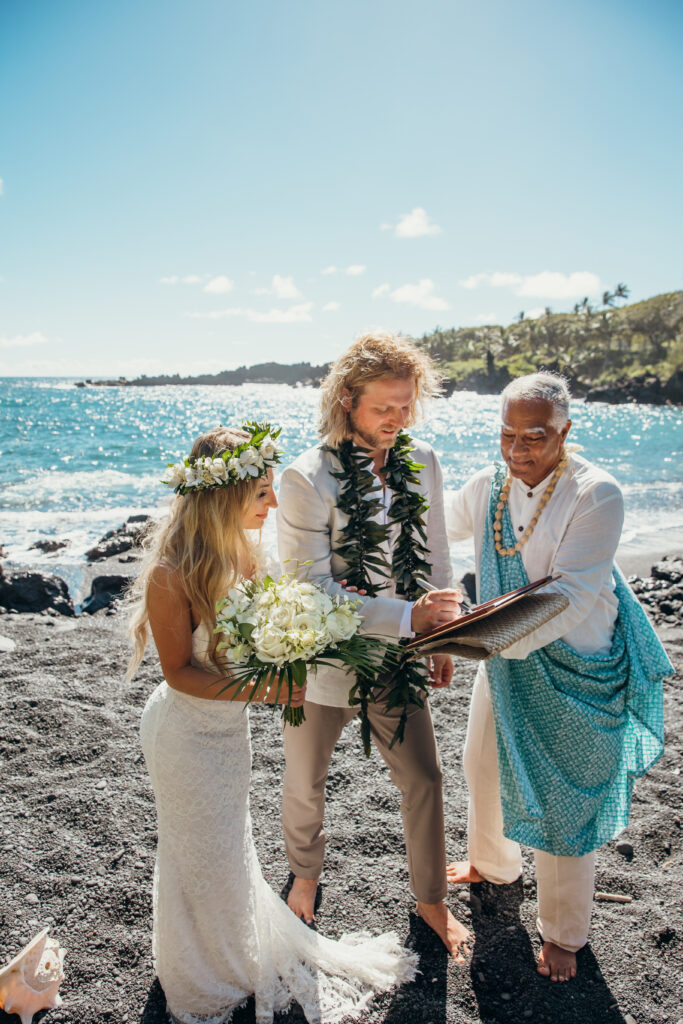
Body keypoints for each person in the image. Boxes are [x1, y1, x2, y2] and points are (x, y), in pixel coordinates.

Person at [127, 424, 418, 1024]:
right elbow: (179, 672)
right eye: (262, 492)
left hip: (229, 734)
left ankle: (227, 954)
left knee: (227, 850)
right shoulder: (171, 572)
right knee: (196, 855)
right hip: (184, 734)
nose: (275, 504)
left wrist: (314, 626)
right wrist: (266, 689)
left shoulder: (243, 552)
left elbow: (275, 625)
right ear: (223, 494)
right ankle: (199, 973)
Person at [444, 372, 672, 982]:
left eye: (535, 437)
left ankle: (566, 934)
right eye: (508, 435)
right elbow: (435, 530)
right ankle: (493, 865)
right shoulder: (488, 486)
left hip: (576, 663)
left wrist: (476, 639)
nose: (519, 450)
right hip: (502, 654)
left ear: (566, 431)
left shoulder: (597, 492)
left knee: (563, 801)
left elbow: (571, 595)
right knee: (482, 762)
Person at [277, 331, 471, 960]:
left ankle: (430, 898)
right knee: (307, 777)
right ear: (347, 402)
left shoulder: (426, 462)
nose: (397, 419)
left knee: (424, 777)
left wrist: (441, 633)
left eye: (406, 404)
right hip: (323, 655)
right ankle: (305, 872)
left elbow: (437, 553)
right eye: (383, 407)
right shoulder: (306, 478)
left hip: (400, 655)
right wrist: (410, 616)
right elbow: (311, 588)